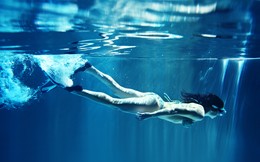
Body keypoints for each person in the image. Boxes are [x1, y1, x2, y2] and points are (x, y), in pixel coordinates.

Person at [42, 61, 226, 127]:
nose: (219, 116)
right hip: (156, 106)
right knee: (115, 102)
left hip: (156, 99)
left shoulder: (197, 107)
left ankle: (89, 68)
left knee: (118, 90)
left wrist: (185, 121)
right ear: (215, 109)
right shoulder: (201, 113)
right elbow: (173, 110)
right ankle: (72, 89)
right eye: (220, 112)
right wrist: (150, 115)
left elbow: (178, 111)